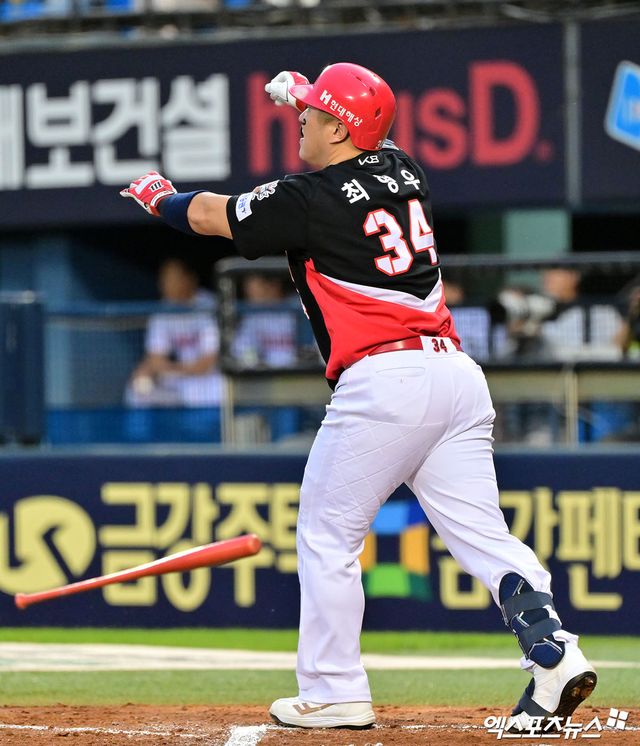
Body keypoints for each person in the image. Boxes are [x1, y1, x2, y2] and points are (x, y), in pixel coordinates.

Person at [121, 63, 596, 731]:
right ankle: (555, 653)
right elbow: (362, 139)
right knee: (486, 535)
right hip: (455, 377)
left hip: (385, 381)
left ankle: (333, 687)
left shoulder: (308, 197)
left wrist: (159, 196)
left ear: (340, 129)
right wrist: (304, 94)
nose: (303, 121)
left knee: (326, 533)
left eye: (314, 115)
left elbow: (210, 215)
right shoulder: (405, 170)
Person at [127, 257, 222, 408]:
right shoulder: (163, 311)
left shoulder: (208, 305)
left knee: (205, 390)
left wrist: (170, 369)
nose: (167, 284)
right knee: (138, 387)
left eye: (173, 278)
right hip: (178, 377)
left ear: (189, 279)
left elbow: (207, 362)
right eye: (164, 279)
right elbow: (155, 358)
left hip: (209, 378)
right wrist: (147, 372)